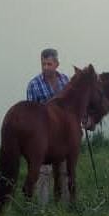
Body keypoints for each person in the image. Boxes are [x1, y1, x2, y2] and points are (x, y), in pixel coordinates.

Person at [25, 48, 70, 205]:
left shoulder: (66, 80)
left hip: (63, 136)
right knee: (44, 172)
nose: (45, 67)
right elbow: (31, 115)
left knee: (64, 171)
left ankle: (65, 206)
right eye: (43, 64)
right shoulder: (33, 85)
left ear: (57, 64)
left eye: (49, 64)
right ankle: (42, 210)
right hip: (44, 136)